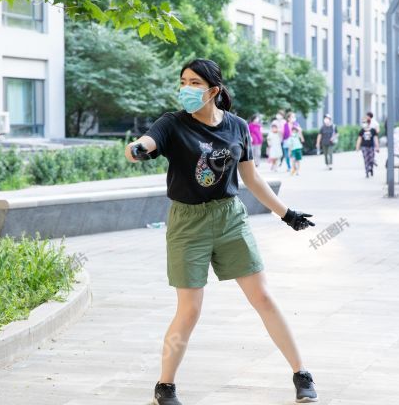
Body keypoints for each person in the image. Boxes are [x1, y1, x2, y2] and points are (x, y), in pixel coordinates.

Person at [125, 59, 319, 405]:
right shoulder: (172, 123)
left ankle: (302, 374)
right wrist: (137, 150)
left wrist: (286, 214)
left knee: (262, 297)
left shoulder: (238, 127)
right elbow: (146, 142)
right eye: (183, 81)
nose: (186, 88)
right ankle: (164, 387)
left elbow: (252, 178)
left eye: (195, 83)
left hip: (230, 217)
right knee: (190, 309)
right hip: (187, 223)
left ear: (213, 90)